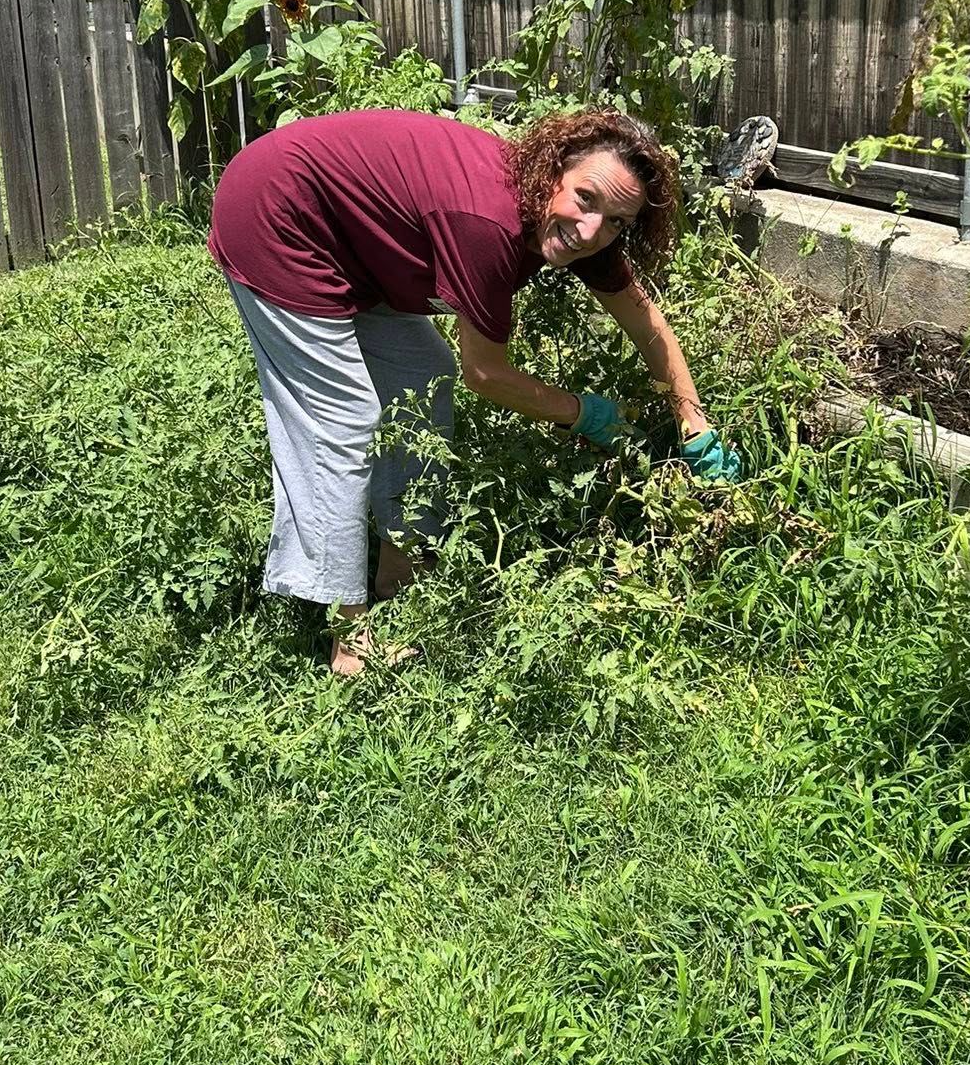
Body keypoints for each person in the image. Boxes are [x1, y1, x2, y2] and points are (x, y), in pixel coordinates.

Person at [209, 106, 741, 676]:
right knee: (343, 419)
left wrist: (692, 421)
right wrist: (583, 414)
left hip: (353, 245)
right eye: (585, 199)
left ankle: (400, 573)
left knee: (425, 373)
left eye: (615, 221)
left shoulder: (583, 227)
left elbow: (647, 324)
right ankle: (350, 644)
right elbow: (485, 375)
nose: (591, 232)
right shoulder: (489, 224)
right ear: (551, 171)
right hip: (277, 214)